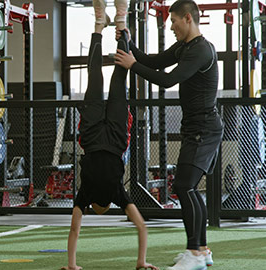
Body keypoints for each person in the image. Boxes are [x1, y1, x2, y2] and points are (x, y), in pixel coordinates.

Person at [115, 1, 223, 269]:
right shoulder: (185, 47)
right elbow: (154, 61)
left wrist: (131, 65)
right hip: (194, 127)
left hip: (204, 128)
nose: (171, 26)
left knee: (183, 186)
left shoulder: (200, 49)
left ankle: (194, 252)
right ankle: (202, 249)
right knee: (189, 188)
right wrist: (129, 42)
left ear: (188, 18)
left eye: (174, 21)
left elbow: (167, 80)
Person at [62, 1, 158, 270]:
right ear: (95, 205)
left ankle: (120, 21)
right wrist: (71, 265)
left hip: (113, 138)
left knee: (118, 79)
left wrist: (141, 261)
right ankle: (100, 24)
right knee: (98, 78)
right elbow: (74, 231)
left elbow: (141, 227)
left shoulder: (116, 195)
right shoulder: (90, 195)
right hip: (95, 138)